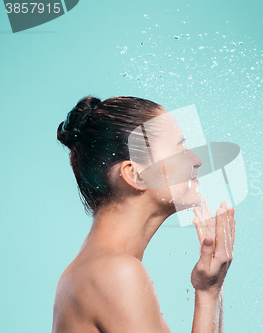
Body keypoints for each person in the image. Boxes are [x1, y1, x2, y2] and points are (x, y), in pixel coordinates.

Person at [52, 95, 236, 333]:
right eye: (180, 148)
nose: (197, 160)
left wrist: (211, 288)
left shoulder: (95, 267)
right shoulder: (115, 273)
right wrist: (207, 293)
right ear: (136, 175)